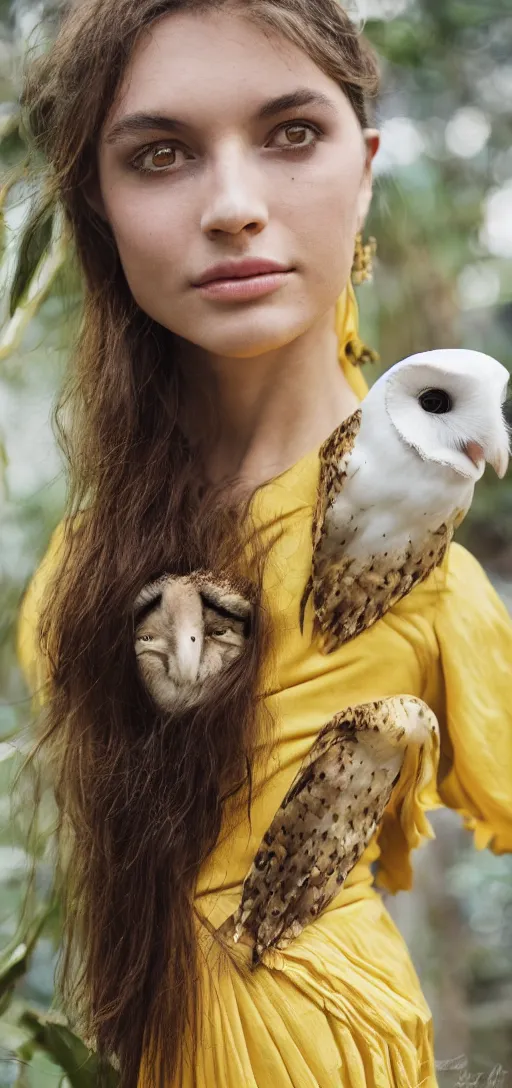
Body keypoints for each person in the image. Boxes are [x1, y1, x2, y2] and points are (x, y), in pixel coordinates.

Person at [15, 1, 512, 1086]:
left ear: (365, 164)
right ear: (96, 202)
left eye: (291, 133)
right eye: (159, 155)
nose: (234, 207)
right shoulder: (83, 563)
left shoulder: (434, 583)